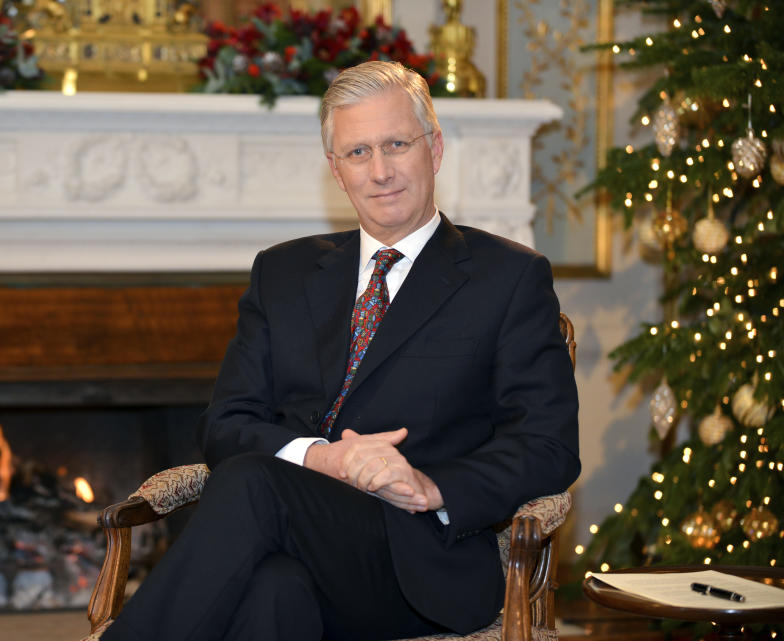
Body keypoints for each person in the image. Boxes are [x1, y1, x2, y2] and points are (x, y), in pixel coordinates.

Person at [101, 60, 579, 641]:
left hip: (419, 559)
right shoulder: (283, 272)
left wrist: (434, 488)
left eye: (396, 144)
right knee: (272, 594)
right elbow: (225, 424)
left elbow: (549, 445)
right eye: (358, 153)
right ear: (336, 168)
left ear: (435, 148)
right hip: (294, 548)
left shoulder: (507, 277)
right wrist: (318, 457)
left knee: (253, 483)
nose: (380, 171)